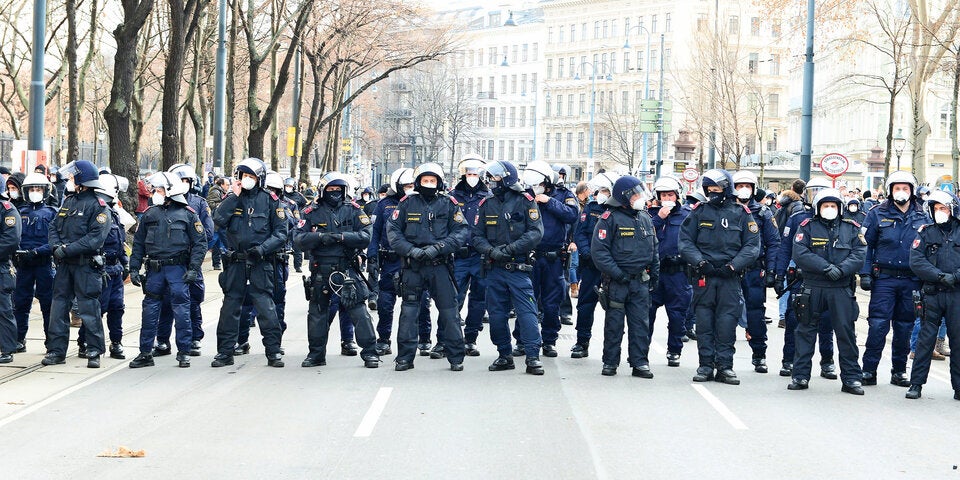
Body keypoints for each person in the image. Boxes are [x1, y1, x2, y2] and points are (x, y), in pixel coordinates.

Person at [679, 169, 760, 385]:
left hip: (729, 277)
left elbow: (752, 246)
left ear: (726, 189)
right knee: (704, 323)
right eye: (709, 190)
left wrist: (734, 266)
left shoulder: (741, 213)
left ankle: (725, 367)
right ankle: (705, 365)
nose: (713, 193)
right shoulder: (698, 211)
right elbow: (685, 241)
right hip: (704, 276)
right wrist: (700, 262)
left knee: (726, 323)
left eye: (717, 189)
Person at [387, 163, 468, 371]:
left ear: (439, 182)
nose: (429, 184)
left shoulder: (449, 203)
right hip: (413, 266)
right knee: (409, 313)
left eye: (433, 181)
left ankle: (456, 357)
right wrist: (411, 251)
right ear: (418, 182)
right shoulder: (406, 203)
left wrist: (439, 248)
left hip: (439, 265)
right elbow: (394, 233)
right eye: (425, 181)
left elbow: (461, 232)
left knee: (450, 313)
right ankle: (405, 358)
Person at [294, 172, 379, 369]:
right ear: (323, 191)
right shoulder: (310, 212)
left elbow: (366, 235)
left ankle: (370, 353)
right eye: (331, 190)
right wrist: (320, 238)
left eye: (338, 190)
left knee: (359, 312)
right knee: (317, 314)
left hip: (347, 268)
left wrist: (342, 237)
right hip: (320, 268)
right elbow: (298, 239)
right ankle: (316, 354)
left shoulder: (354, 210)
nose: (335, 193)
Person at [789, 188, 867, 395]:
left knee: (846, 334)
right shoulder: (807, 227)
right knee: (805, 332)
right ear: (818, 208)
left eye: (833, 206)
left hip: (840, 288)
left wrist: (841, 270)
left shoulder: (851, 228)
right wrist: (825, 267)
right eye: (826, 206)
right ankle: (800, 375)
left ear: (840, 208)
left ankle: (851, 379)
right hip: (813, 286)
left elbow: (860, 254)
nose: (830, 209)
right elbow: (800, 252)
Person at [210, 158, 286, 368]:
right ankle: (225, 352)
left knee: (265, 306)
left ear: (259, 178)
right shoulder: (233, 197)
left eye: (251, 176)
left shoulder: (270, 200)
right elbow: (218, 219)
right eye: (243, 176)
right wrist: (233, 197)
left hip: (260, 261)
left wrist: (263, 249)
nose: (247, 180)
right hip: (236, 261)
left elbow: (281, 233)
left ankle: (273, 351)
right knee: (230, 306)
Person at [472, 160, 545, 375]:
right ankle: (504, 355)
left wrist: (511, 249)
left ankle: (533, 357)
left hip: (518, 267)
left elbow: (535, 233)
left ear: (506, 178)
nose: (491, 182)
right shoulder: (487, 204)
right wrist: (492, 252)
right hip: (494, 268)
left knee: (527, 313)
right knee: (496, 315)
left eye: (495, 177)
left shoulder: (525, 201)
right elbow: (476, 235)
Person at [128, 173, 206, 368]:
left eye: (159, 190)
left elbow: (200, 243)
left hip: (178, 269)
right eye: (155, 190)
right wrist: (134, 268)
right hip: (155, 270)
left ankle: (184, 352)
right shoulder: (149, 214)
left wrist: (194, 269)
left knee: (182, 311)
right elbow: (138, 244)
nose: (155, 193)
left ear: (170, 191)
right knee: (149, 312)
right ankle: (145, 352)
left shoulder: (188, 214)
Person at [859, 171, 928, 388]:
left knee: (904, 327)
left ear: (912, 191)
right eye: (897, 188)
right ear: (890, 191)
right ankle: (869, 370)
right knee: (878, 325)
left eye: (905, 189)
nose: (901, 192)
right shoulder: (876, 213)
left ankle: (898, 371)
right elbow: (865, 246)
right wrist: (865, 273)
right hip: (884, 279)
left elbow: (929, 248)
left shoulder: (923, 216)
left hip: (911, 280)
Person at [42, 160, 110, 368]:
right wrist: (55, 247)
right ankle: (56, 350)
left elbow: (95, 238)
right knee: (59, 307)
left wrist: (67, 249)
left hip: (85, 265)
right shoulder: (69, 202)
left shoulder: (98, 206)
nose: (70, 181)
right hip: (65, 264)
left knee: (89, 308)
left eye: (73, 178)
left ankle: (93, 351)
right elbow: (53, 226)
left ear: (82, 181)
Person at [592, 176, 659, 377]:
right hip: (618, 282)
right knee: (614, 324)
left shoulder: (645, 217)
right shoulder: (609, 218)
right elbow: (600, 252)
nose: (640, 197)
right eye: (636, 194)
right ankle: (610, 362)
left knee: (640, 324)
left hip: (640, 281)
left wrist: (655, 274)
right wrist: (617, 274)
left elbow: (654, 248)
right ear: (625, 196)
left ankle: (639, 363)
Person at [773, 177, 837, 378]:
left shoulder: (840, 221)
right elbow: (785, 248)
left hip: (829, 278)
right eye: (813, 192)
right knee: (794, 320)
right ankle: (788, 360)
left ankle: (827, 361)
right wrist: (778, 274)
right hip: (800, 277)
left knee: (827, 322)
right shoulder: (797, 218)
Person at [366, 168, 433, 356]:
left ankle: (425, 339)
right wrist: (372, 256)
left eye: (412, 185)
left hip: (416, 260)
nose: (410, 189)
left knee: (421, 301)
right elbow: (375, 232)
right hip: (390, 259)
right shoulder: (384, 205)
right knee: (385, 303)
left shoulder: (423, 202)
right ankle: (384, 340)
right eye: (406, 186)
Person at [516, 161, 578, 358]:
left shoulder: (563, 195)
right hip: (529, 255)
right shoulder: (525, 195)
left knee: (552, 302)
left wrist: (549, 202)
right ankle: (522, 340)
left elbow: (572, 215)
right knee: (526, 300)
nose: (536, 188)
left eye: (539, 184)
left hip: (553, 258)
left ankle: (549, 340)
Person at [155, 164, 213, 358]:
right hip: (168, 262)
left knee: (193, 301)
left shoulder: (199, 203)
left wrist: (192, 251)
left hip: (190, 261)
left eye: (186, 181)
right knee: (164, 302)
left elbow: (207, 232)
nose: (183, 184)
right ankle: (162, 340)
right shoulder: (161, 204)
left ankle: (194, 338)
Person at [906, 190, 960, 399]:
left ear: (952, 209)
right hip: (932, 293)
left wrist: (954, 277)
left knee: (957, 341)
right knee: (925, 340)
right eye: (936, 209)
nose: (939, 212)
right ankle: (916, 384)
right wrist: (939, 276)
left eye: (943, 209)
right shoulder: (925, 232)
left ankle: (958, 387)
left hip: (956, 293)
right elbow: (916, 261)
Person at [732, 171, 781, 374]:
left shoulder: (763, 212)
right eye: (739, 185)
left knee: (755, 313)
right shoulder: (726, 210)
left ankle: (759, 355)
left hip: (754, 270)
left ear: (753, 189)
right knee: (724, 313)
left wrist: (771, 270)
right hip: (729, 270)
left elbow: (774, 243)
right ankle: (721, 357)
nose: (743, 189)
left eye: (747, 185)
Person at [77, 173, 129, 360]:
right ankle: (85, 342)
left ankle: (116, 342)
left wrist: (125, 263)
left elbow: (120, 242)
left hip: (115, 270)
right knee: (97, 308)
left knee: (117, 307)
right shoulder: (96, 211)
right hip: (100, 270)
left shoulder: (113, 212)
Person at [570, 172, 618, 359]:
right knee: (585, 305)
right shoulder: (591, 208)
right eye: (599, 190)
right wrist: (587, 253)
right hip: (591, 266)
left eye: (605, 190)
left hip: (611, 269)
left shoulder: (618, 210)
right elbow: (580, 233)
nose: (601, 193)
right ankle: (582, 342)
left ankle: (612, 350)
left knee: (614, 308)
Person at [647, 176, 692, 367]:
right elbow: (646, 235)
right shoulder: (649, 215)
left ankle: (674, 351)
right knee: (646, 314)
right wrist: (660, 218)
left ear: (677, 196)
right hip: (654, 272)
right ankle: (641, 351)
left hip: (678, 273)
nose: (667, 198)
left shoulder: (687, 215)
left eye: (670, 194)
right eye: (663, 195)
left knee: (677, 316)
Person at [450, 155, 491, 356]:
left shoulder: (488, 196)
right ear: (463, 174)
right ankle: (448, 338)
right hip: (458, 255)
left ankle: (470, 339)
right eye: (469, 173)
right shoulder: (453, 195)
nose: (472, 176)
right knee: (452, 299)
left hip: (480, 256)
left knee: (478, 299)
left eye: (475, 173)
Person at [11, 173, 56, 353]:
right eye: (32, 189)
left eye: (38, 189)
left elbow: (55, 240)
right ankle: (19, 339)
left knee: (47, 303)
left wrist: (37, 251)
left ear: (45, 191)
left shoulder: (52, 213)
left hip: (43, 263)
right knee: (21, 303)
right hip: (24, 264)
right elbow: (13, 237)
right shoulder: (19, 212)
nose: (35, 192)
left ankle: (51, 342)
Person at [0, 179, 21, 364]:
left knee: (3, 310)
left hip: (1, 267)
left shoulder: (7, 210)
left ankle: (7, 349)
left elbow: (11, 240)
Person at [284, 177, 308, 273]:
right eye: (287, 186)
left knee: (296, 245)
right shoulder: (281, 195)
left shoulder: (298, 196)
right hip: (283, 223)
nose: (288, 188)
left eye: (290, 186)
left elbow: (306, 204)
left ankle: (298, 266)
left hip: (295, 222)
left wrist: (301, 214)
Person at [207, 176, 228, 270]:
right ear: (221, 184)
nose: (228, 186)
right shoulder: (215, 191)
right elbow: (210, 204)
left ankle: (217, 263)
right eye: (227, 185)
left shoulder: (221, 192)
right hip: (216, 222)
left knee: (219, 245)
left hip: (220, 222)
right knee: (211, 242)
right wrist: (223, 205)